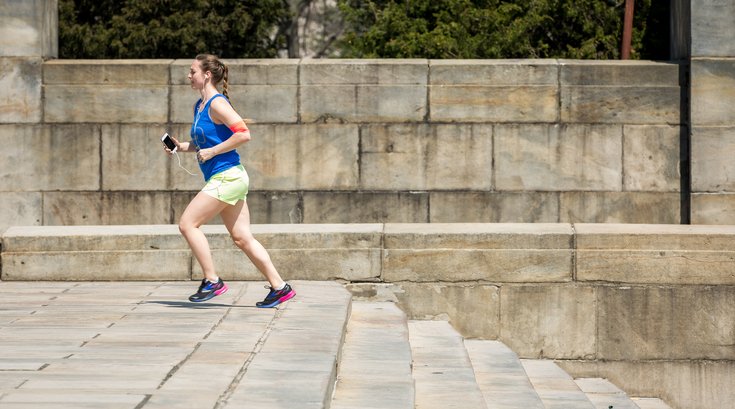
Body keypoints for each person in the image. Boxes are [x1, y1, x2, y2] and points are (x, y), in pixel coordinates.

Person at [163, 54, 295, 308]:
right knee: (242, 238)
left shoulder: (216, 103)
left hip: (228, 175)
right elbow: (205, 143)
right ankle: (280, 287)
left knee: (188, 224)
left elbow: (244, 134)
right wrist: (181, 147)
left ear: (207, 75)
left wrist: (212, 152)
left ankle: (212, 281)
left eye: (192, 71)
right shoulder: (199, 106)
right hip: (227, 177)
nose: (188, 76)